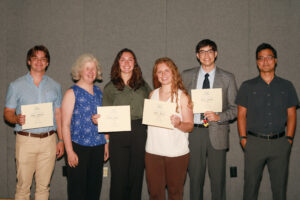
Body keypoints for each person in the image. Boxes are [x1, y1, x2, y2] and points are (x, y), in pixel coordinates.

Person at [236, 43, 298, 200]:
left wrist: (289, 139)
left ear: (275, 60)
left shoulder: (287, 85)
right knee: (250, 189)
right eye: (261, 58)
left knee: (280, 190)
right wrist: (243, 140)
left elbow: (292, 115)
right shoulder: (247, 86)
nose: (265, 61)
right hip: (254, 143)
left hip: (280, 144)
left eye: (269, 57)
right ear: (257, 62)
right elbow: (241, 115)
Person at [4, 45, 64, 200]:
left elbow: (58, 114)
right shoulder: (15, 86)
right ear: (29, 61)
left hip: (49, 141)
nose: (39, 62)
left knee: (44, 187)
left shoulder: (55, 86)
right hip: (26, 140)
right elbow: (7, 113)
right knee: (23, 187)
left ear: (47, 63)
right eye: (35, 58)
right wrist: (16, 119)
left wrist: (61, 140)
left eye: (43, 59)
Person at [181, 39, 238, 200]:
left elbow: (236, 108)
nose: (206, 55)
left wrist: (220, 116)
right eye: (202, 51)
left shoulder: (227, 77)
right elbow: (178, 102)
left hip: (217, 132)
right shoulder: (186, 76)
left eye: (210, 51)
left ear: (216, 53)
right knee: (195, 180)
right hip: (194, 132)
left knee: (218, 181)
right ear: (197, 55)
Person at [103, 48, 151, 200]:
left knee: (136, 176)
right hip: (118, 133)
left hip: (139, 131)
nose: (126, 63)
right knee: (119, 177)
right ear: (118, 63)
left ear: (134, 63)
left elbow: (154, 104)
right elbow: (105, 116)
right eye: (123, 59)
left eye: (130, 59)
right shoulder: (110, 87)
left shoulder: (143, 86)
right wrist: (106, 142)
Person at [61, 54, 109, 200]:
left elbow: (105, 120)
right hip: (78, 147)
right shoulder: (71, 93)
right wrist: (69, 151)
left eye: (93, 69)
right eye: (87, 68)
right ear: (79, 71)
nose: (90, 72)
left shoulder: (100, 92)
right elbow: (65, 124)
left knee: (94, 189)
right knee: (77, 191)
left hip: (98, 146)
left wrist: (106, 143)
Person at [145, 57, 194, 200]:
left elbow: (190, 126)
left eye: (167, 70)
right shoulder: (151, 95)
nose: (163, 74)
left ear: (173, 72)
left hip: (176, 154)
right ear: (156, 75)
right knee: (155, 194)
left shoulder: (182, 96)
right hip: (153, 153)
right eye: (159, 72)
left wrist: (179, 124)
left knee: (175, 194)